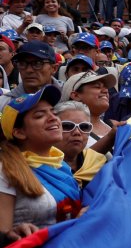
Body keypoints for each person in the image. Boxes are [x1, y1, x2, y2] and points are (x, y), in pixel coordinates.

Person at [0, 85, 82, 236]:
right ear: (19, 132)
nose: (53, 118)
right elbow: (3, 233)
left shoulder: (61, 166)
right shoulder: (6, 169)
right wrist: (11, 235)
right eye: (39, 115)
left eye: (53, 112)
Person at [53, 101, 106, 189]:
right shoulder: (40, 166)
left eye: (84, 127)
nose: (77, 132)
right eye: (67, 126)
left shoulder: (98, 164)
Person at [61, 71, 117, 143]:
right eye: (97, 87)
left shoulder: (113, 126)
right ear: (76, 95)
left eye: (106, 87)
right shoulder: (64, 130)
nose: (106, 91)